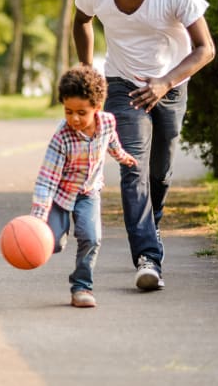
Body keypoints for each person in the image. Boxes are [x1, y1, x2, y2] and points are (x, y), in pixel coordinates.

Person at [72, 0, 215, 291]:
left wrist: (165, 83)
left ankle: (152, 225)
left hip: (171, 84)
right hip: (122, 83)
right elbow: (81, 21)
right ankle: (148, 257)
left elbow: (205, 49)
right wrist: (89, 71)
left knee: (160, 173)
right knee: (132, 167)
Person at [30, 65, 138, 308]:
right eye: (68, 112)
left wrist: (123, 157)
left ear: (97, 108)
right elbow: (47, 179)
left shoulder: (108, 122)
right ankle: (58, 233)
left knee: (91, 238)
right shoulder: (62, 137)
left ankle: (81, 287)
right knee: (53, 243)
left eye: (81, 112)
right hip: (60, 194)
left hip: (89, 192)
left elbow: (111, 143)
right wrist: (38, 218)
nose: (74, 119)